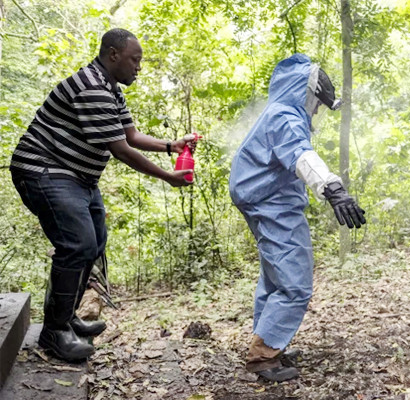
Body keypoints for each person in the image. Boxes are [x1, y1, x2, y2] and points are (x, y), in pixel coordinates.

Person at [10, 28, 195, 362]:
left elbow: (132, 135)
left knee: (94, 242)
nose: (139, 66)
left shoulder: (111, 89)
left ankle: (65, 318)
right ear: (113, 55)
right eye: (134, 59)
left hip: (77, 177)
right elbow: (122, 150)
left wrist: (171, 146)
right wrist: (168, 177)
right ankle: (54, 331)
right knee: (77, 243)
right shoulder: (92, 87)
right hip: (45, 170)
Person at [229, 54, 366, 382]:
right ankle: (263, 356)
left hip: (264, 201)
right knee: (295, 282)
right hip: (272, 204)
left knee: (275, 278)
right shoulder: (286, 116)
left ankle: (267, 342)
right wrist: (334, 189)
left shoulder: (277, 114)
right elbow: (302, 155)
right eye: (316, 102)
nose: (317, 109)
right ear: (305, 92)